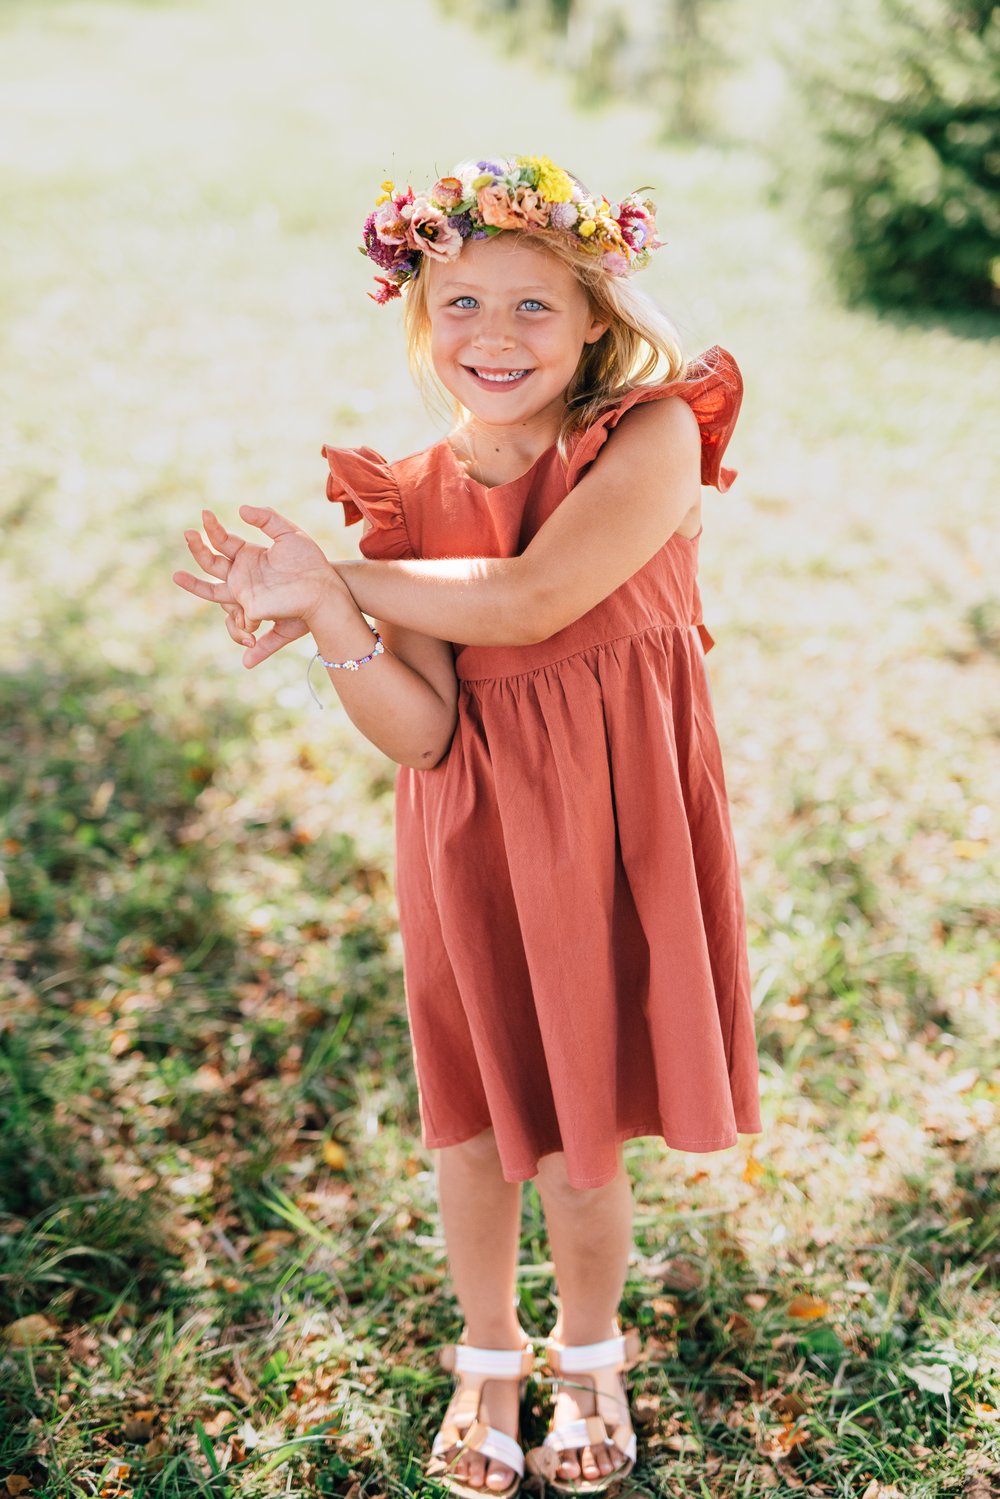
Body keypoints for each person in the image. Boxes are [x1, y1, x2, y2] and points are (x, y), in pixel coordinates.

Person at [173, 154, 763, 1499]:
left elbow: (532, 598)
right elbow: (425, 732)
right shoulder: (413, 493)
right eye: (461, 305)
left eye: (533, 309)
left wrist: (342, 575)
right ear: (418, 319)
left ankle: (590, 1353)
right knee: (481, 1119)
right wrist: (334, 621)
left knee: (584, 1121)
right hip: (473, 835)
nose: (492, 339)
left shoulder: (649, 436)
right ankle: (487, 1352)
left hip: (618, 826)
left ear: (599, 322)